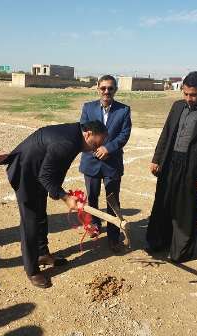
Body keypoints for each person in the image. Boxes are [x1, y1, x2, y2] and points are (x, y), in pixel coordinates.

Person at [2, 121, 108, 288]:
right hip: (25, 172)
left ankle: (43, 254)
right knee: (30, 221)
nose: (96, 148)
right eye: (96, 143)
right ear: (87, 134)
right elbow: (46, 176)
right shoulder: (67, 143)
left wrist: (55, 190)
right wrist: (64, 197)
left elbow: (58, 167)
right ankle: (32, 270)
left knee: (41, 215)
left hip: (39, 171)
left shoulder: (76, 137)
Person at [146, 71, 197, 262]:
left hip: (192, 167)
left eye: (194, 95)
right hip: (170, 162)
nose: (189, 98)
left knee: (185, 208)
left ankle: (180, 251)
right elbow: (166, 133)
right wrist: (157, 159)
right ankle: (157, 242)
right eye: (186, 94)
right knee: (163, 203)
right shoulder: (177, 106)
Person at [79, 75, 132, 252]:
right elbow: (84, 131)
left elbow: (124, 134)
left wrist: (108, 148)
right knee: (92, 196)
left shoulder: (124, 110)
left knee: (112, 200)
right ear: (98, 88)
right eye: (103, 88)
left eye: (110, 88)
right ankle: (94, 226)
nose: (106, 91)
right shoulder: (88, 108)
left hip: (112, 162)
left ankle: (113, 237)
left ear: (115, 89)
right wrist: (95, 149)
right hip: (91, 161)